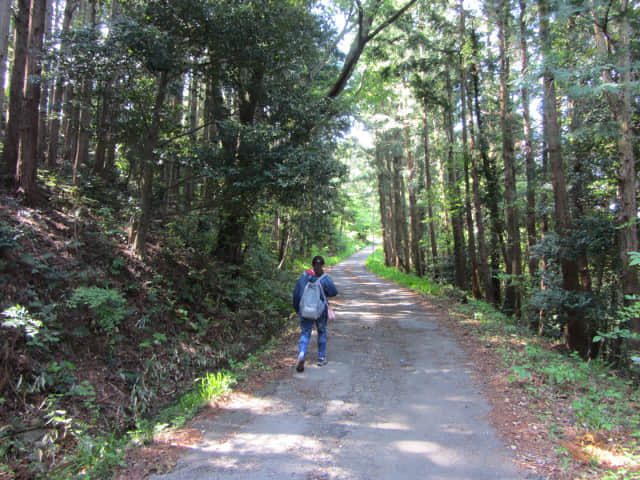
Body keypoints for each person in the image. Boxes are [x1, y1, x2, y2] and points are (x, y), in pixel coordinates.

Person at [292, 255, 338, 372]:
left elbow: (296, 294)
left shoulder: (304, 276)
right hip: (320, 310)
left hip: (305, 310)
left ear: (312, 264)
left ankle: (301, 354)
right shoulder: (325, 277)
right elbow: (333, 292)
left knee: (305, 333)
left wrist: (297, 309)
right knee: (321, 332)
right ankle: (321, 358)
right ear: (322, 265)